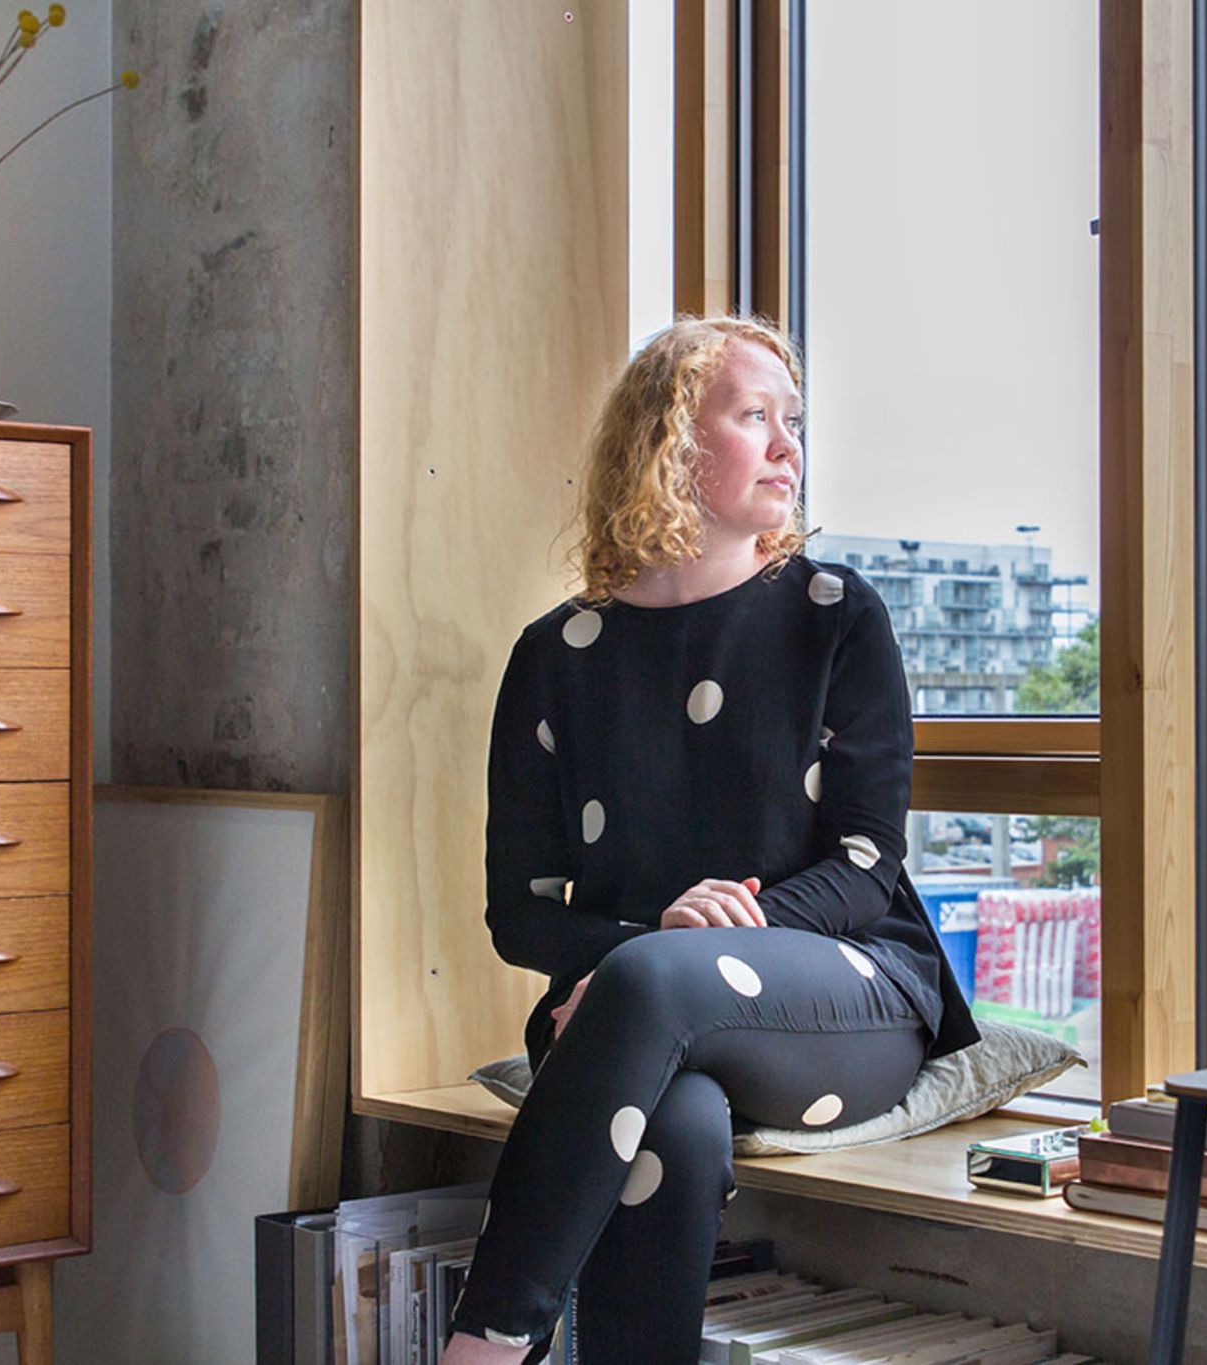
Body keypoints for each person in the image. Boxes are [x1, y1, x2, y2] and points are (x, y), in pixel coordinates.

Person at [441, 316, 979, 1364]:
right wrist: (648, 950)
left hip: (850, 993)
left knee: (651, 980)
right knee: (675, 1125)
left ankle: (482, 1349)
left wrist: (683, 950)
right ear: (668, 440)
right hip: (621, 1006)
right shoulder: (556, 655)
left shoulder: (836, 614)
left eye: (794, 421)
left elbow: (867, 865)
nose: (787, 445)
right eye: (754, 416)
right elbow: (518, 914)